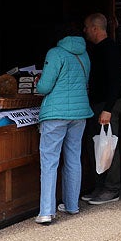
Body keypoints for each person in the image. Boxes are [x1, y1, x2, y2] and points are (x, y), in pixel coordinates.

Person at [35, 25, 93, 225]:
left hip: (55, 113)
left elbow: (45, 86)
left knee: (49, 161)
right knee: (73, 158)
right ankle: (72, 205)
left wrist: (37, 83)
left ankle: (46, 211)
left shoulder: (55, 53)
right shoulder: (84, 53)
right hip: (79, 113)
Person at [81, 13, 121, 205]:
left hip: (107, 105)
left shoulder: (110, 49)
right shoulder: (94, 49)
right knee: (96, 145)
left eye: (87, 27)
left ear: (95, 29)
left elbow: (116, 81)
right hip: (95, 104)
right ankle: (100, 185)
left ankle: (112, 188)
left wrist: (108, 108)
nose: (84, 31)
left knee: (108, 145)